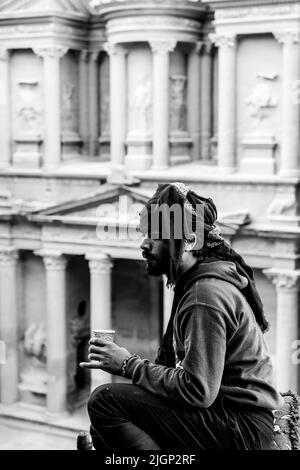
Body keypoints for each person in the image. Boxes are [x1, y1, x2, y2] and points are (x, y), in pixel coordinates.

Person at [80, 182, 283, 451]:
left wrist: (127, 365)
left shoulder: (205, 296)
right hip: (228, 416)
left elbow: (197, 391)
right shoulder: (194, 284)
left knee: (105, 400)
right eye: (145, 233)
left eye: (156, 235)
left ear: (189, 241)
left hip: (241, 429)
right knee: (104, 426)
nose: (144, 243)